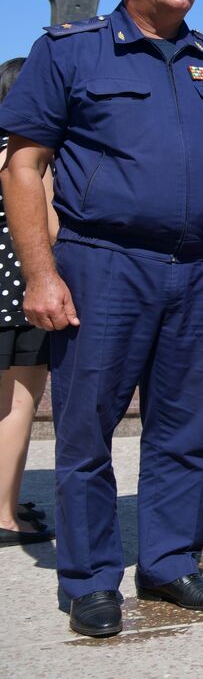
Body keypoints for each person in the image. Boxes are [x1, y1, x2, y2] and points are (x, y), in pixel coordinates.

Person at [0, 0, 203, 637]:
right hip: (102, 264)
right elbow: (24, 165)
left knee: (185, 430)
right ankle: (90, 578)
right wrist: (41, 272)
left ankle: (170, 563)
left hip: (198, 269)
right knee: (87, 429)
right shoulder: (70, 51)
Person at [0, 58, 59, 547]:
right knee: (18, 406)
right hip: (18, 298)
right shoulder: (27, 158)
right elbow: (53, 229)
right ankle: (4, 515)